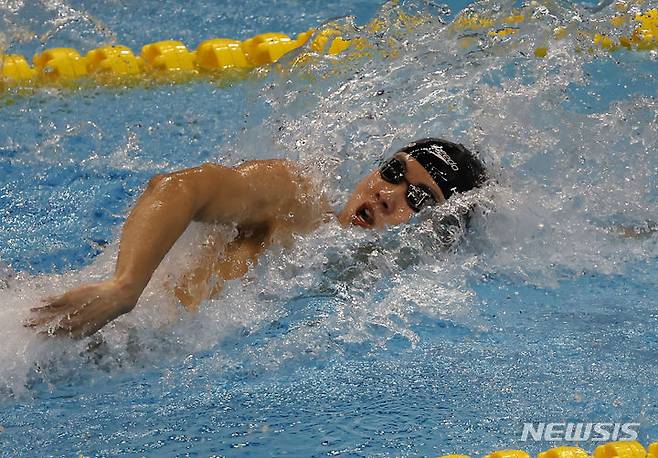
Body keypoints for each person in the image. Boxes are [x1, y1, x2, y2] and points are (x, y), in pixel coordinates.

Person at [24, 138, 487, 338]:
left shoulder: (387, 294)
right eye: (391, 172)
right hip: (72, 321)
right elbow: (178, 187)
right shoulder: (296, 199)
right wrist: (125, 287)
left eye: (418, 200)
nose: (387, 195)